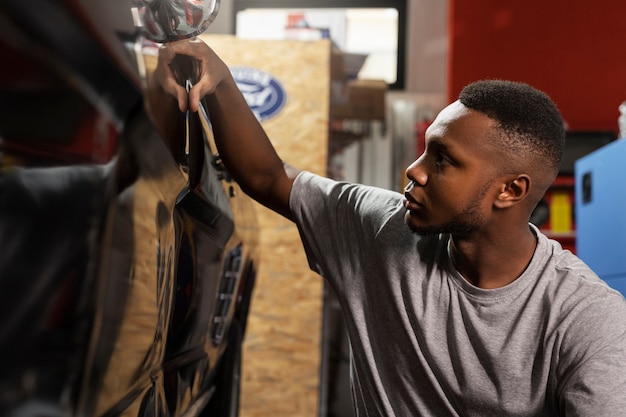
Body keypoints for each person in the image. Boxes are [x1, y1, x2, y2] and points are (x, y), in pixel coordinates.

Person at [148, 38, 626, 416]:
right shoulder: (384, 229)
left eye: (443, 160)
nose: (414, 171)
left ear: (510, 191)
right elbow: (269, 176)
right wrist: (219, 79)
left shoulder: (589, 322)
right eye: (425, 149)